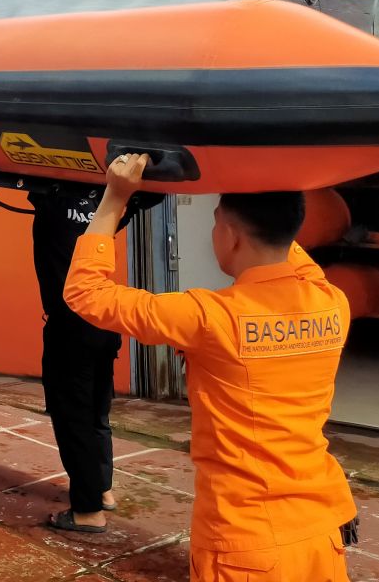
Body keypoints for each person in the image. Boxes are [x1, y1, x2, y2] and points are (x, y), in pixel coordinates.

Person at [64, 153, 358, 580]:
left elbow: (86, 293)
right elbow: (284, 239)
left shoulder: (209, 317)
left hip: (247, 545)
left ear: (231, 235)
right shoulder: (331, 301)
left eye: (216, 220)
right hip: (321, 533)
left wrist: (115, 197)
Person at [29, 187, 122, 533]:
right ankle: (102, 490)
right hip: (104, 322)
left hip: (70, 329)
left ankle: (87, 510)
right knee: (98, 413)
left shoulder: (51, 205)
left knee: (73, 420)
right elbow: (135, 200)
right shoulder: (102, 208)